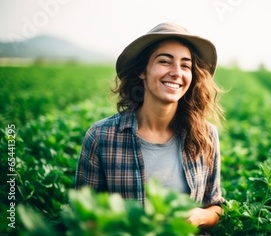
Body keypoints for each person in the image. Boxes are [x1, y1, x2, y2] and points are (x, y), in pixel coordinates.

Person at [75, 22, 225, 229]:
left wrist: (200, 216)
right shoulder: (101, 136)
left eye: (185, 65)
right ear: (142, 71)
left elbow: (216, 205)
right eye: (165, 61)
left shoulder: (206, 135)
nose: (176, 72)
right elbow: (85, 217)